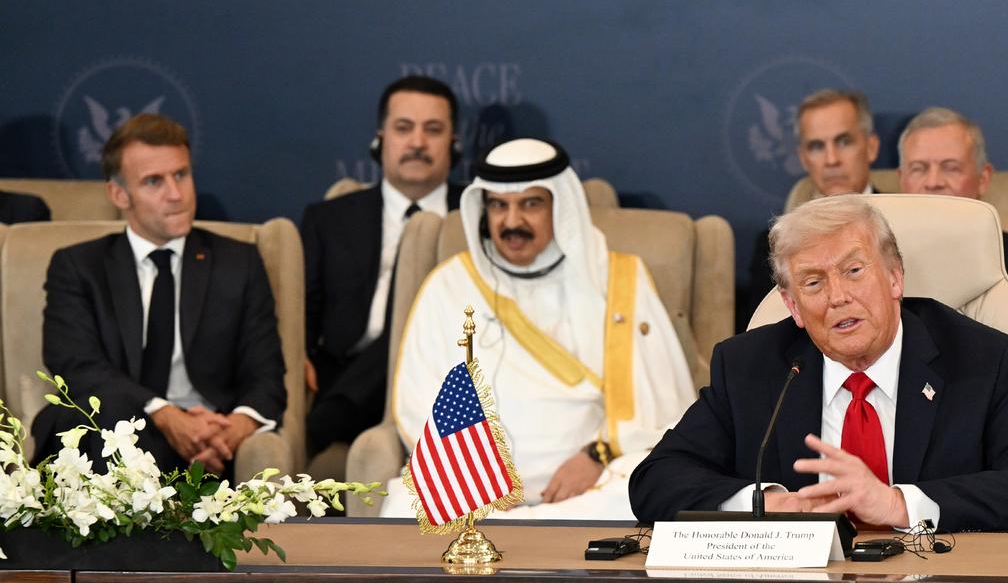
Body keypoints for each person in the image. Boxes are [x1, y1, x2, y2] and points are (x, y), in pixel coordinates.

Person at [632, 194, 1008, 532]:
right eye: (813, 282)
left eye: (854, 271)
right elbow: (655, 480)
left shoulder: (981, 360)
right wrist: (765, 503)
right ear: (794, 307)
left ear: (896, 276)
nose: (838, 296)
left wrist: (899, 504)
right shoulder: (750, 366)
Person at [385, 137, 694, 519]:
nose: (512, 221)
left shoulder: (618, 279)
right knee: (405, 504)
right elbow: (419, 401)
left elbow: (662, 401)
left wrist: (598, 455)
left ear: (560, 207)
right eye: (498, 205)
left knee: (637, 493)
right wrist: (478, 478)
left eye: (530, 204)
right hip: (474, 485)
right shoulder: (448, 285)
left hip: (592, 483)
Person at [34, 114, 286, 474]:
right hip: (112, 433)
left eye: (181, 174)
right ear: (119, 194)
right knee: (108, 415)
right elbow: (77, 366)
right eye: (154, 181)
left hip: (208, 440)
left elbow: (267, 376)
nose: (176, 194)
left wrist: (228, 433)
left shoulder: (239, 262)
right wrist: (164, 414)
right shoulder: (78, 266)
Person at [300, 75, 465, 463]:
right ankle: (339, 410)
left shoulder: (478, 216)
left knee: (417, 319)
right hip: (345, 372)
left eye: (433, 130)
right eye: (404, 128)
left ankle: (331, 419)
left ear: (453, 143)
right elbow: (300, 311)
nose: (418, 143)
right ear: (381, 139)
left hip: (439, 377)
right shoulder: (330, 219)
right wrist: (297, 353)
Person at [896, 106, 1008, 391]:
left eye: (950, 167)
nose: (933, 182)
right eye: (919, 169)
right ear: (902, 180)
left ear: (984, 178)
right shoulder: (871, 267)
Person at [741, 88, 880, 326]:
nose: (831, 159)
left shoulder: (907, 224)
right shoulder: (774, 245)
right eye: (817, 146)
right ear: (803, 158)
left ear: (871, 147)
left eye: (844, 141)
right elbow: (762, 335)